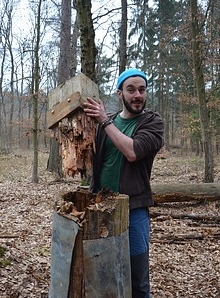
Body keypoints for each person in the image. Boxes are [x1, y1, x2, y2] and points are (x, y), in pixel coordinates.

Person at [83, 68, 164, 297]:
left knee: (137, 280)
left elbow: (132, 151)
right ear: (120, 94)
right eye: (131, 90)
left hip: (134, 209)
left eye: (142, 90)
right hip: (100, 207)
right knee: (103, 273)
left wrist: (104, 121)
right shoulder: (105, 124)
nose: (137, 95)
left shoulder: (153, 122)